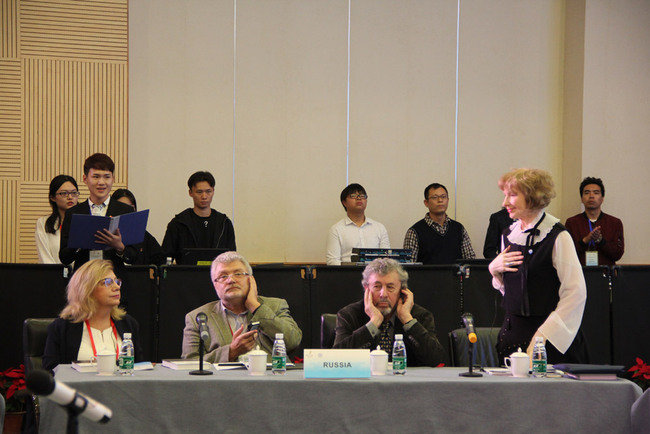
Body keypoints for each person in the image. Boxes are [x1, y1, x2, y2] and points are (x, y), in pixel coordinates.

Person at [488, 168, 588, 364]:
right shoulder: (508, 234)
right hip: (512, 340)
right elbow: (511, 292)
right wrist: (494, 271)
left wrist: (543, 337)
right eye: (505, 195)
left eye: (512, 195)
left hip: (549, 342)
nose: (504, 203)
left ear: (533, 197)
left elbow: (576, 294)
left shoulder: (558, 236)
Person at [181, 251, 302, 363]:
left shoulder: (275, 306)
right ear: (215, 284)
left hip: (270, 382)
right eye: (223, 276)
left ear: (251, 280)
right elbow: (189, 362)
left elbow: (293, 341)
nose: (231, 280)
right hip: (222, 384)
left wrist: (256, 307)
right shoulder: (198, 317)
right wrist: (231, 352)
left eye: (238, 274)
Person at [333, 258, 446, 367]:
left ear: (402, 290)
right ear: (366, 288)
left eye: (390, 287)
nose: (383, 294)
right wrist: (373, 323)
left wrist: (407, 319)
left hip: (407, 383)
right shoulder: (349, 315)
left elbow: (436, 359)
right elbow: (336, 359)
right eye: (377, 286)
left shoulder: (420, 316)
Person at [42, 259, 143, 372]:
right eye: (108, 282)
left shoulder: (128, 324)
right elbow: (50, 374)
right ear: (87, 289)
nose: (117, 287)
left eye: (117, 282)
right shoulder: (62, 327)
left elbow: (138, 370)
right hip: (78, 389)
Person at [59, 153, 138, 271]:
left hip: (114, 278)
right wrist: (80, 242)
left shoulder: (125, 211)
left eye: (107, 177)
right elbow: (64, 257)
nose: (101, 182)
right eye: (96, 176)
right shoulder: (73, 213)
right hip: (84, 280)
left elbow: (134, 256)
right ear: (85, 179)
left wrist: (120, 247)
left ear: (113, 179)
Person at [162, 171, 236, 264]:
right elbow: (166, 258)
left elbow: (232, 258)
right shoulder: (178, 223)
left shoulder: (224, 223)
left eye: (208, 191)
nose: (204, 196)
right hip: (187, 275)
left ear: (213, 191)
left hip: (218, 277)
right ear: (190, 193)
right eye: (199, 192)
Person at [403, 183, 475, 264]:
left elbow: (470, 261)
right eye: (435, 197)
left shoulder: (459, 228)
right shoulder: (414, 232)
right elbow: (409, 268)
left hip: (455, 276)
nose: (440, 200)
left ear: (448, 200)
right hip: (427, 276)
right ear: (426, 203)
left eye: (443, 197)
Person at [565, 177, 624, 266]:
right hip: (580, 275)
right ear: (581, 198)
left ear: (602, 198)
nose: (591, 196)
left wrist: (600, 240)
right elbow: (566, 253)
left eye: (596, 193)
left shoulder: (615, 223)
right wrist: (585, 240)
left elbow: (617, 254)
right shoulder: (572, 223)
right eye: (587, 193)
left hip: (605, 275)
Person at [326, 183, 390, 265]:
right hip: (348, 275)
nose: (359, 198)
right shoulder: (336, 229)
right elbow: (332, 261)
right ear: (344, 202)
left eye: (362, 196)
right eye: (353, 196)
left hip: (375, 276)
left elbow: (386, 259)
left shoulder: (379, 228)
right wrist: (354, 267)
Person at [112, 188, 166, 266]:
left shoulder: (142, 234)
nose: (126, 211)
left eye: (130, 207)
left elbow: (160, 259)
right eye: (122, 207)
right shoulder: (107, 235)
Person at [35, 175, 79, 264]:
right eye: (64, 193)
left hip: (82, 275)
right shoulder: (43, 223)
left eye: (74, 193)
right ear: (53, 197)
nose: (70, 197)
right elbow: (44, 257)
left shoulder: (86, 220)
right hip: (53, 275)